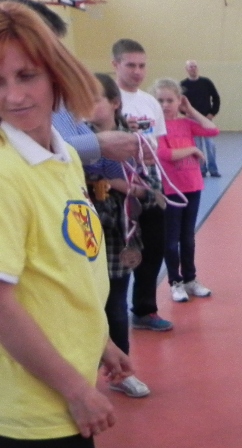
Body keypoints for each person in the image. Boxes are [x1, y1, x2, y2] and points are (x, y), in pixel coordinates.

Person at [0, 0, 207, 448]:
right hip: (39, 401)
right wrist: (72, 386)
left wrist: (102, 342)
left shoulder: (58, 154)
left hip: (57, 381)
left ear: (55, 74)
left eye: (25, 76)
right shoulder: (5, 173)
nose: (12, 95)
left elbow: (60, 271)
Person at [0, 0, 138, 167]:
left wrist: (131, 148)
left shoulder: (59, 103)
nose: (15, 97)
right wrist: (98, 144)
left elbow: (96, 165)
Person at [85, 73, 154, 398]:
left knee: (115, 307)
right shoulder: (72, 141)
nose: (85, 106)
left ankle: (120, 373)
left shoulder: (133, 142)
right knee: (80, 308)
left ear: (114, 102)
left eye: (94, 98)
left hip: (117, 238)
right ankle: (80, 377)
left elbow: (153, 192)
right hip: (82, 238)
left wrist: (116, 184)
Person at [112, 39, 173, 332]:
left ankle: (144, 310)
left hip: (150, 184)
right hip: (116, 186)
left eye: (142, 65)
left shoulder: (150, 103)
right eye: (130, 65)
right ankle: (112, 315)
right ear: (115, 65)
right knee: (118, 252)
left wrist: (150, 162)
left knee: (155, 247)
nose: (137, 71)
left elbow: (156, 144)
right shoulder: (107, 100)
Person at [152, 79, 218, 303]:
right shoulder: (156, 127)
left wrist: (190, 110)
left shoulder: (186, 123)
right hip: (171, 190)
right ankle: (175, 282)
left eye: (170, 100)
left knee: (188, 238)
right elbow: (165, 154)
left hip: (193, 186)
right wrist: (192, 149)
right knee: (171, 240)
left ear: (178, 101)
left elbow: (212, 130)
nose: (165, 105)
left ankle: (190, 279)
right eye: (160, 100)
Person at [180, 61, 221, 178]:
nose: (193, 69)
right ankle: (201, 169)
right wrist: (185, 112)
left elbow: (216, 98)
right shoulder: (182, 85)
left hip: (206, 120)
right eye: (190, 67)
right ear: (186, 69)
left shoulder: (206, 82)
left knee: (210, 145)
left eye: (195, 66)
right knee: (197, 146)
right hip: (192, 121)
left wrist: (212, 113)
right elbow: (178, 101)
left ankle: (213, 170)